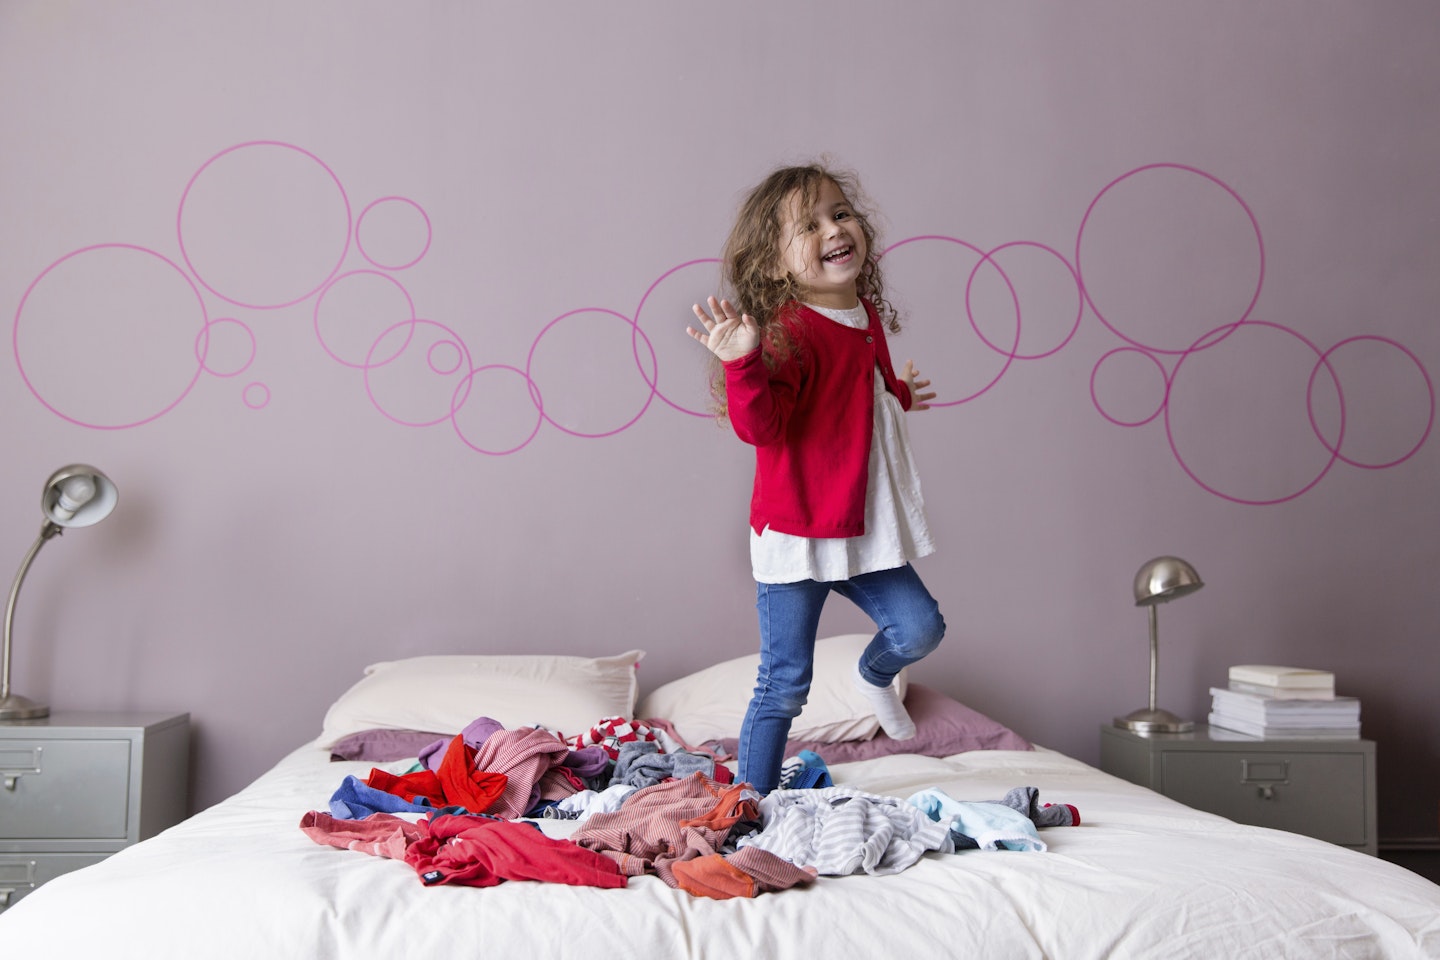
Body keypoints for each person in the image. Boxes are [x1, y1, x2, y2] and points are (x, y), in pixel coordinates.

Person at [686, 162, 946, 794]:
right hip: (799, 533)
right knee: (784, 683)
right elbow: (763, 427)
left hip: (860, 523)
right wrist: (743, 362)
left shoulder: (862, 313)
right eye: (809, 225)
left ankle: (873, 677)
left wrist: (900, 395)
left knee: (919, 629)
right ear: (775, 264)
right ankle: (750, 804)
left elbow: (860, 398)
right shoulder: (788, 333)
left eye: (839, 213)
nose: (834, 227)